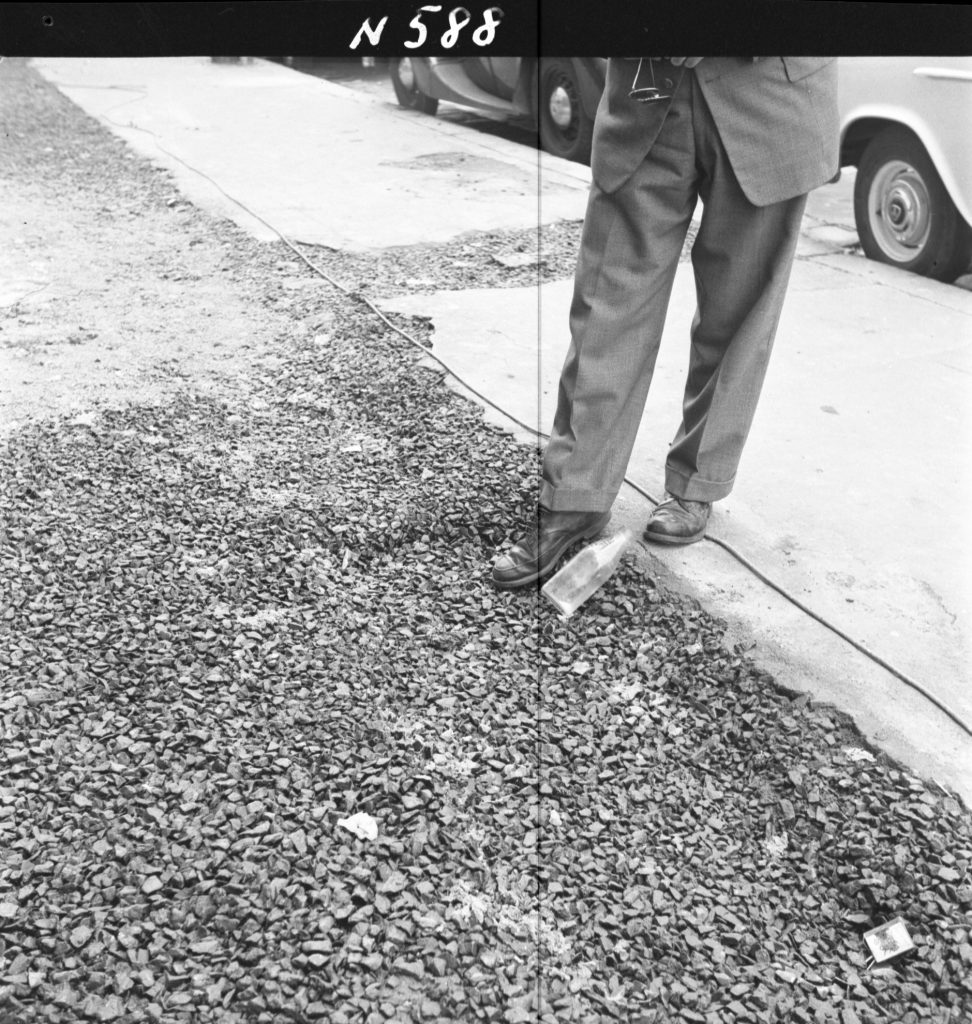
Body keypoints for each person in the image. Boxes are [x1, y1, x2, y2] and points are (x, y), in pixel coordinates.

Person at [492, 56, 839, 589]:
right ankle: (576, 494)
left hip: (770, 92)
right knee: (608, 300)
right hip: (647, 87)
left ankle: (698, 482)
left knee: (740, 309)